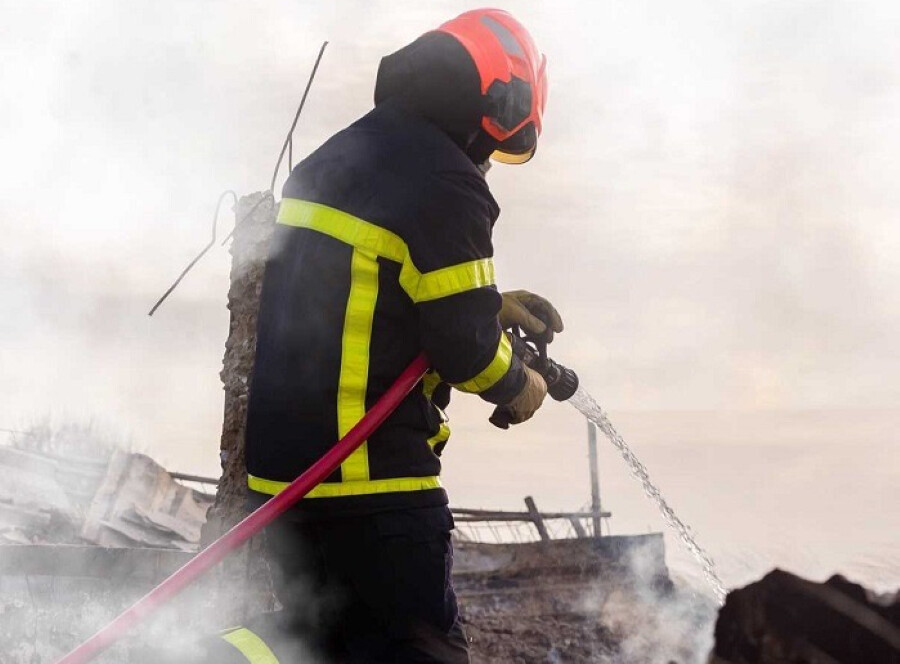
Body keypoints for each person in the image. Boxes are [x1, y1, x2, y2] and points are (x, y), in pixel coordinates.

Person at [235, 9, 563, 663]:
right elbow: (462, 349)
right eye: (497, 142)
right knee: (417, 650)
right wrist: (518, 383)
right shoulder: (445, 179)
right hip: (373, 487)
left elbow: (376, 294)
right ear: (498, 99)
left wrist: (489, 303)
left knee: (317, 641)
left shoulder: (339, 158)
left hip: (286, 480)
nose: (488, 161)